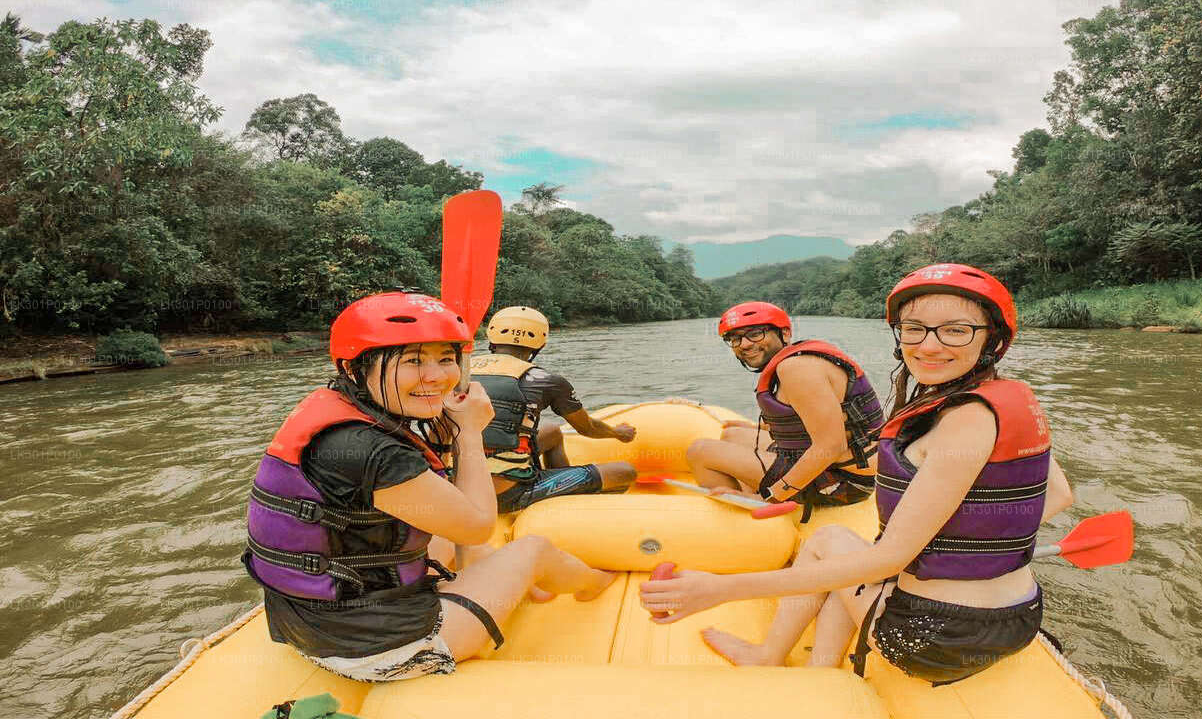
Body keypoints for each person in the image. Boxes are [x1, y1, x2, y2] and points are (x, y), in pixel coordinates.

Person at [641, 265, 1075, 685]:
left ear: (993, 339)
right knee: (839, 547)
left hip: (939, 637)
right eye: (914, 328)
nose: (927, 346)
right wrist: (967, 547)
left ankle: (769, 654)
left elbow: (887, 560)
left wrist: (717, 589)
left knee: (834, 549)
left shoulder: (963, 421)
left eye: (956, 330)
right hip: (1019, 616)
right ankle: (819, 673)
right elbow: (1058, 495)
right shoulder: (1011, 397)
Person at [243, 291, 615, 682]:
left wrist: (448, 434)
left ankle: (511, 585)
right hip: (379, 649)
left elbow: (447, 509)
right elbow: (476, 524)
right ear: (355, 368)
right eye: (413, 361)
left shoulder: (343, 411)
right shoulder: (372, 451)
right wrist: (469, 432)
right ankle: (596, 585)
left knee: (452, 530)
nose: (437, 376)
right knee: (534, 548)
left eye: (445, 358)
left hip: (311, 622)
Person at [686, 301, 884, 519]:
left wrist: (771, 497)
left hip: (843, 482)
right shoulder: (800, 359)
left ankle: (739, 518)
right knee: (733, 434)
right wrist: (760, 427)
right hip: (844, 468)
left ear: (785, 333)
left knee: (699, 451)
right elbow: (812, 422)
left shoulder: (796, 368)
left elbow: (832, 445)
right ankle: (745, 490)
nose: (744, 344)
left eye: (755, 334)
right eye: (735, 338)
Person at [471, 305, 637, 514]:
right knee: (625, 472)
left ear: (491, 337)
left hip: (458, 483)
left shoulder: (459, 371)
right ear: (540, 343)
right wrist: (618, 433)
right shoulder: (547, 381)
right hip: (507, 493)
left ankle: (561, 488)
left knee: (553, 431)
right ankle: (559, 504)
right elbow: (588, 428)